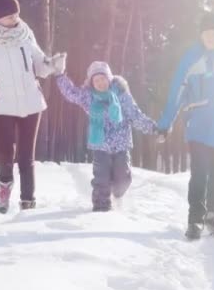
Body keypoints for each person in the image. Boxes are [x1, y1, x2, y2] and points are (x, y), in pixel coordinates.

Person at [0, 0, 66, 214]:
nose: (14, 19)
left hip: (31, 102)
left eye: (16, 14)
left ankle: (28, 202)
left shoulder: (25, 33)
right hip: (3, 105)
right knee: (5, 152)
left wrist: (53, 64)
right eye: (9, 16)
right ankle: (4, 189)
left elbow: (39, 65)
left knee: (27, 156)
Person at [156, 12, 214, 240]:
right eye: (206, 32)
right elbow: (176, 94)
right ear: (201, 34)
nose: (210, 37)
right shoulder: (190, 59)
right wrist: (164, 124)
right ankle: (194, 221)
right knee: (199, 173)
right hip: (198, 125)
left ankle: (212, 216)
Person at [55, 61, 157, 212]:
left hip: (121, 146)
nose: (100, 83)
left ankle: (118, 194)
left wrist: (153, 128)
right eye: (96, 80)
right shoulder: (89, 97)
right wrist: (60, 75)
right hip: (100, 146)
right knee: (101, 179)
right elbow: (72, 93)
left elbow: (136, 116)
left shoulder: (122, 95)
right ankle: (101, 208)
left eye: (103, 79)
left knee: (122, 179)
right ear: (91, 83)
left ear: (109, 79)